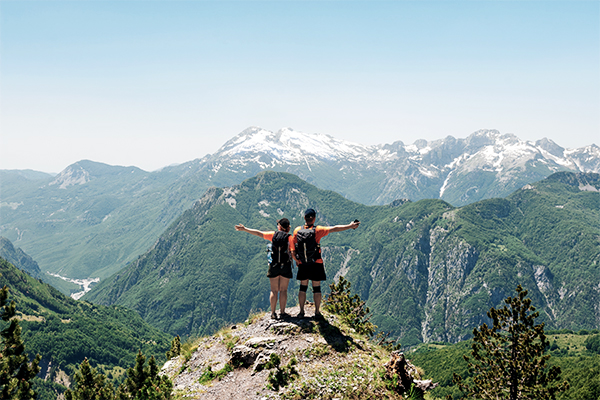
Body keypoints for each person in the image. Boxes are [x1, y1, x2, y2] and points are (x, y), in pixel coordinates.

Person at [291, 208, 360, 319]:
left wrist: (297, 261)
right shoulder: (318, 230)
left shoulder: (297, 230)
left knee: (302, 287)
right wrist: (350, 226)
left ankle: (301, 311)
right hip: (316, 262)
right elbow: (335, 228)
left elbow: (293, 249)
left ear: (304, 218)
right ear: (314, 218)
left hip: (303, 263)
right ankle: (317, 312)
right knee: (316, 288)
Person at [234, 218, 294, 320]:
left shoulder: (273, 235)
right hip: (285, 266)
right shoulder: (290, 238)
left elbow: (259, 233)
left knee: (274, 290)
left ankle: (273, 313)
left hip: (274, 265)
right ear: (288, 228)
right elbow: (293, 252)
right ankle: (283, 312)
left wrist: (245, 229)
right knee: (283, 290)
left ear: (279, 226)